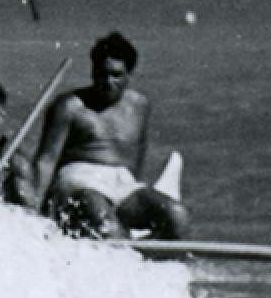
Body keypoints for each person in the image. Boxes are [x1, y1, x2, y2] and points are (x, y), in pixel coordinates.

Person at [27, 31, 189, 239]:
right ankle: (125, 254)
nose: (107, 81)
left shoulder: (139, 106)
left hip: (122, 184)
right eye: (101, 73)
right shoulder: (70, 106)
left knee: (178, 216)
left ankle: (150, 265)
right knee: (108, 226)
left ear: (129, 75)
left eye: (116, 75)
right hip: (78, 182)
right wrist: (37, 215)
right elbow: (46, 161)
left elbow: (136, 157)